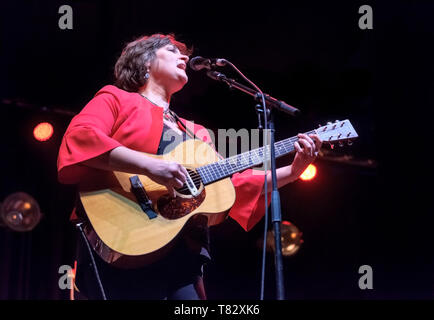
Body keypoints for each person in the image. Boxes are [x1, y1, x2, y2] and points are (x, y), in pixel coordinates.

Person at [57, 33, 322, 300]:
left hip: (182, 251)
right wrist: (150, 166)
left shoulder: (197, 133)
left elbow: (229, 185)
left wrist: (293, 171)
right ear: (145, 62)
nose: (183, 56)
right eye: (172, 50)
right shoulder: (116, 98)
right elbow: (81, 138)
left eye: (183, 52)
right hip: (122, 234)